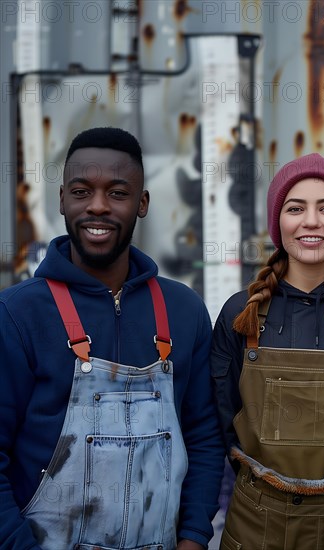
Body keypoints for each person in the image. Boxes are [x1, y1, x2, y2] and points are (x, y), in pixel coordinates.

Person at [0, 127, 225, 550]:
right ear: (63, 198)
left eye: (118, 193)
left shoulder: (184, 311)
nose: (98, 206)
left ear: (142, 204)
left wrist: (194, 537)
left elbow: (203, 436)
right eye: (83, 191)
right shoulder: (16, 315)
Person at [211, 153, 324, 549]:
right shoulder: (239, 314)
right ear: (279, 222)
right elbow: (223, 423)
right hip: (252, 525)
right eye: (296, 208)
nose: (311, 221)